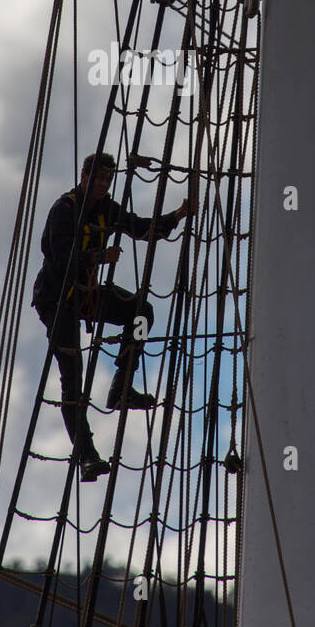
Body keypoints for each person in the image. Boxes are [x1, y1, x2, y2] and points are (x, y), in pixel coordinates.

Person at [32, 152, 191, 482]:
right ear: (85, 176)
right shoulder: (64, 210)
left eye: (108, 179)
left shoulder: (108, 210)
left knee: (141, 311)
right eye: (98, 178)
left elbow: (139, 228)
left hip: (86, 295)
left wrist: (178, 215)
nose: (104, 185)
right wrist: (99, 256)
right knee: (72, 380)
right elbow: (59, 257)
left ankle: (121, 387)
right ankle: (87, 458)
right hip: (57, 300)